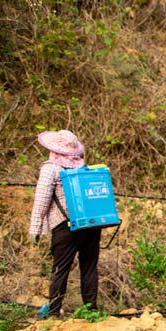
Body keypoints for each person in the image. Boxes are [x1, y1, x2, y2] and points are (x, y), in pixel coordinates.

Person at [29, 130, 101, 317]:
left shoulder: (51, 169)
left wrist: (36, 228)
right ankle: (91, 310)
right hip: (91, 225)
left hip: (65, 226)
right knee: (89, 267)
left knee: (60, 269)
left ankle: (54, 312)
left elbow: (42, 199)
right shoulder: (84, 168)